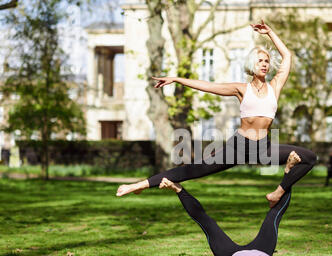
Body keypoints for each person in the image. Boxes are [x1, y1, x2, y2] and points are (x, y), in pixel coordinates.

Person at [116, 19, 317, 207]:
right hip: (239, 146)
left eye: (266, 61)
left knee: (309, 157)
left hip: (263, 148)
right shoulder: (241, 89)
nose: (264, 64)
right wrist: (177, 79)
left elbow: (287, 56)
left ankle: (277, 193)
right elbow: (208, 86)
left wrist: (269, 33)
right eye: (260, 61)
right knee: (193, 170)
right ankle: (138, 185)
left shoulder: (275, 86)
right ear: (251, 64)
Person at [158, 152, 300, 256]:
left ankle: (177, 189)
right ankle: (289, 170)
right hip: (262, 248)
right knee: (274, 216)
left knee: (207, 223)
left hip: (230, 255)